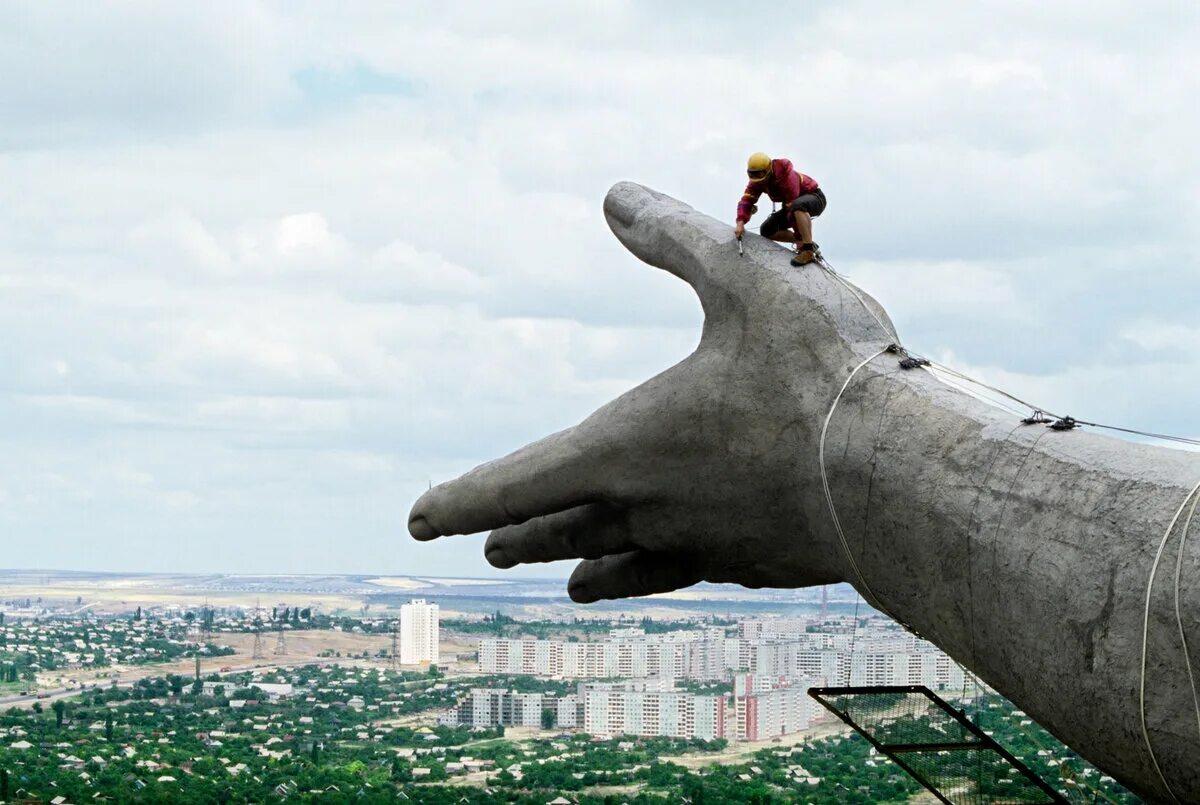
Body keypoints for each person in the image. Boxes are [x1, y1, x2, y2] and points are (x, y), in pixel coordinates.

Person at [734, 152, 827, 266]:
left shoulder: (786, 176)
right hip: (792, 206)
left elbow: (791, 207)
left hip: (815, 198)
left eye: (761, 176)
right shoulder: (757, 181)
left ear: (768, 170)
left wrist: (800, 238)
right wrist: (740, 222)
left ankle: (808, 250)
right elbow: (746, 200)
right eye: (755, 177)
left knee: (797, 206)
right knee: (766, 230)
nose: (760, 180)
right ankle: (806, 242)